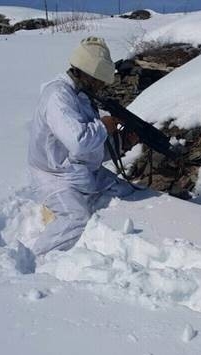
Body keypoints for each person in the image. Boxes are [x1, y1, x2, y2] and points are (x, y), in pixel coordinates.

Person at [28, 37, 134, 256]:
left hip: (82, 172)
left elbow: (90, 150)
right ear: (85, 72)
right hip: (55, 177)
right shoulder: (58, 96)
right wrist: (104, 126)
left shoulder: (81, 97)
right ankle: (33, 259)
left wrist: (123, 143)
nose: (101, 86)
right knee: (76, 218)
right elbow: (78, 142)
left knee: (127, 192)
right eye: (98, 80)